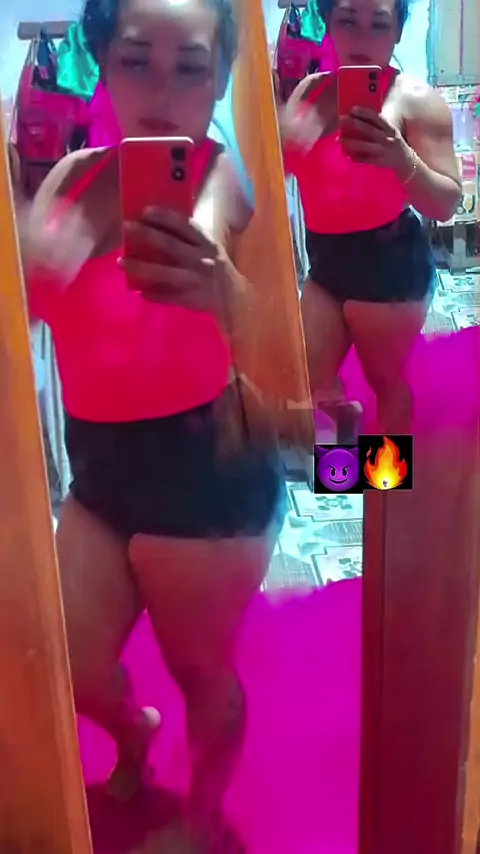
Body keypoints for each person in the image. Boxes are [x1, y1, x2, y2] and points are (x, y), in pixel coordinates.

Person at [23, 0, 284, 849]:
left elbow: (227, 251)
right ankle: (134, 732)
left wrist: (221, 288)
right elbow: (25, 306)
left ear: (218, 78)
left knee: (203, 674)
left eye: (190, 68)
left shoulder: (216, 173)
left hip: (203, 471)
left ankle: (206, 816)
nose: (163, 93)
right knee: (69, 662)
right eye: (137, 62)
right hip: (100, 474)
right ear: (102, 64)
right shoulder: (67, 182)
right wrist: (34, 263)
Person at [281, 0, 461, 433]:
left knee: (389, 389)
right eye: (348, 21)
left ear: (398, 31)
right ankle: (344, 465)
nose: (362, 38)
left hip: (389, 266)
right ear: (329, 23)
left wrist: (401, 159)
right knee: (312, 385)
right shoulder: (308, 93)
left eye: (378, 25)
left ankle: (387, 478)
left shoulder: (416, 101)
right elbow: (276, 176)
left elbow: (447, 203)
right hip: (326, 263)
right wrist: (286, 146)